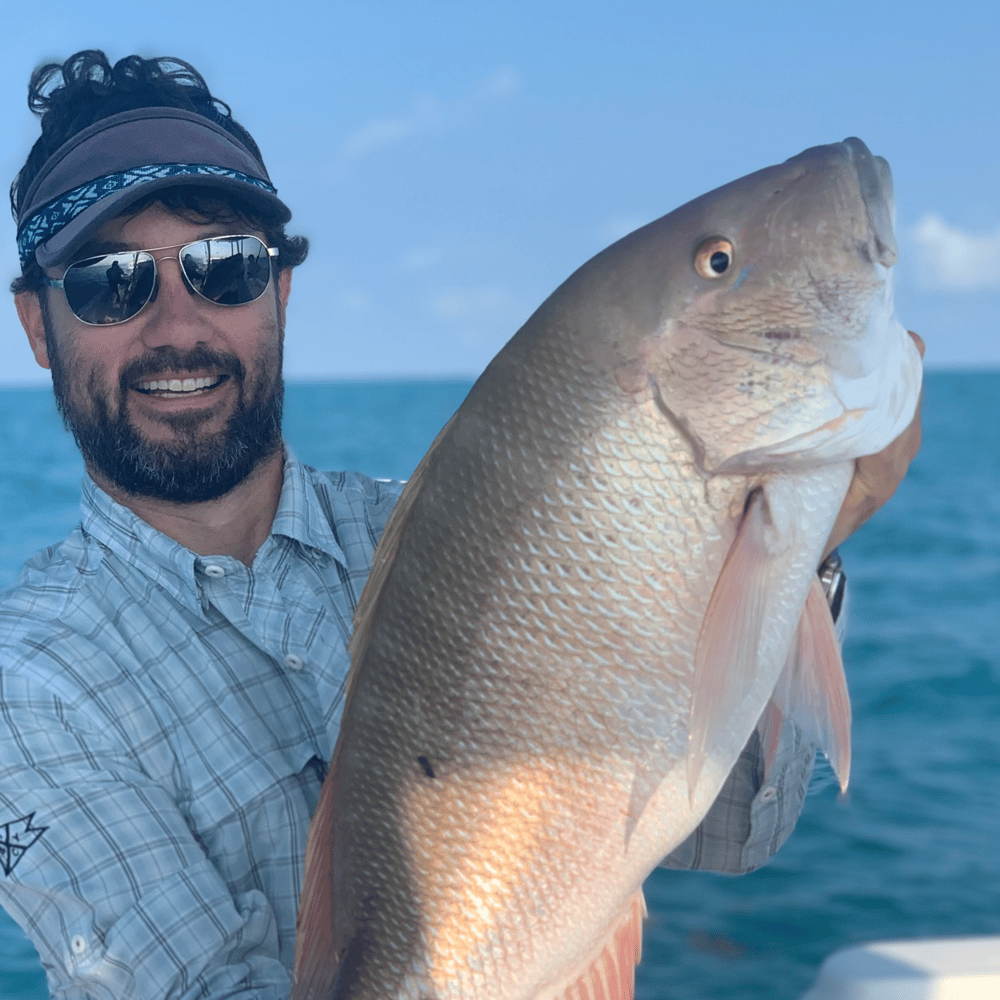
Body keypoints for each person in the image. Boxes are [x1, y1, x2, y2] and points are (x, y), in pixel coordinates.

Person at [0, 50, 922, 1000]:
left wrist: (801, 548)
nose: (175, 324)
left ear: (280, 290)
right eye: (110, 282)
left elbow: (732, 831)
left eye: (223, 265)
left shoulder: (432, 534)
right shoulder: (31, 685)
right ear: (37, 326)